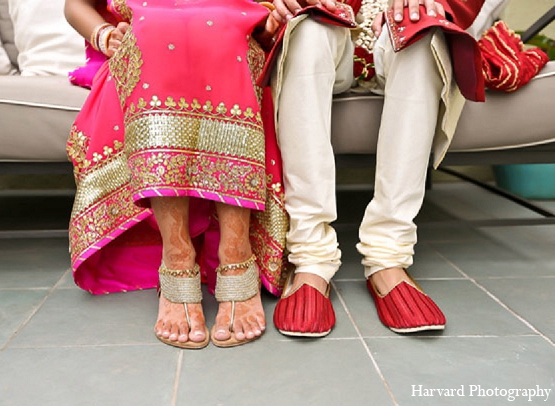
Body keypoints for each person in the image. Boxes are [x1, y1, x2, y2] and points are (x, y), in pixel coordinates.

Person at [64, 0, 286, 348]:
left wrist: (271, 21)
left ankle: (236, 252)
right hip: (144, 41)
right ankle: (177, 256)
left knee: (219, 26)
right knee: (156, 28)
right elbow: (76, 5)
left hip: (236, 39)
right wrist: (104, 34)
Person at [269, 0, 488, 335]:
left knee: (420, 31)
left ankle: (388, 257)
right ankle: (311, 259)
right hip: (332, 20)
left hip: (402, 24)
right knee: (307, 31)